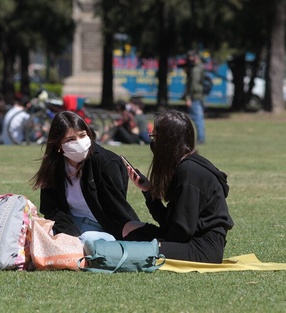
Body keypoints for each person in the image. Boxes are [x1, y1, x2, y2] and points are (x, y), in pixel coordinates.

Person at [123, 109, 234, 263]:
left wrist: (157, 243)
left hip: (202, 248)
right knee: (130, 227)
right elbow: (171, 223)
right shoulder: (184, 167)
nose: (153, 143)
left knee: (135, 247)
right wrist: (148, 191)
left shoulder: (189, 172)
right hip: (187, 240)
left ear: (167, 142)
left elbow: (181, 232)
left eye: (155, 137)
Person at [30, 111, 140, 240]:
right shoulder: (54, 166)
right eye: (70, 139)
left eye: (82, 135)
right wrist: (70, 234)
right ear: (58, 144)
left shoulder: (107, 163)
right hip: (69, 224)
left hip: (101, 228)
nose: (79, 143)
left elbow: (116, 210)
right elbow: (51, 208)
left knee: (87, 240)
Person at [183, 50, 206, 144]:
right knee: (197, 118)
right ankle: (200, 138)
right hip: (199, 96)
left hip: (195, 97)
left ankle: (200, 139)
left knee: (197, 118)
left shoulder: (195, 69)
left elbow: (193, 85)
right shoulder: (200, 67)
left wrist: (188, 97)